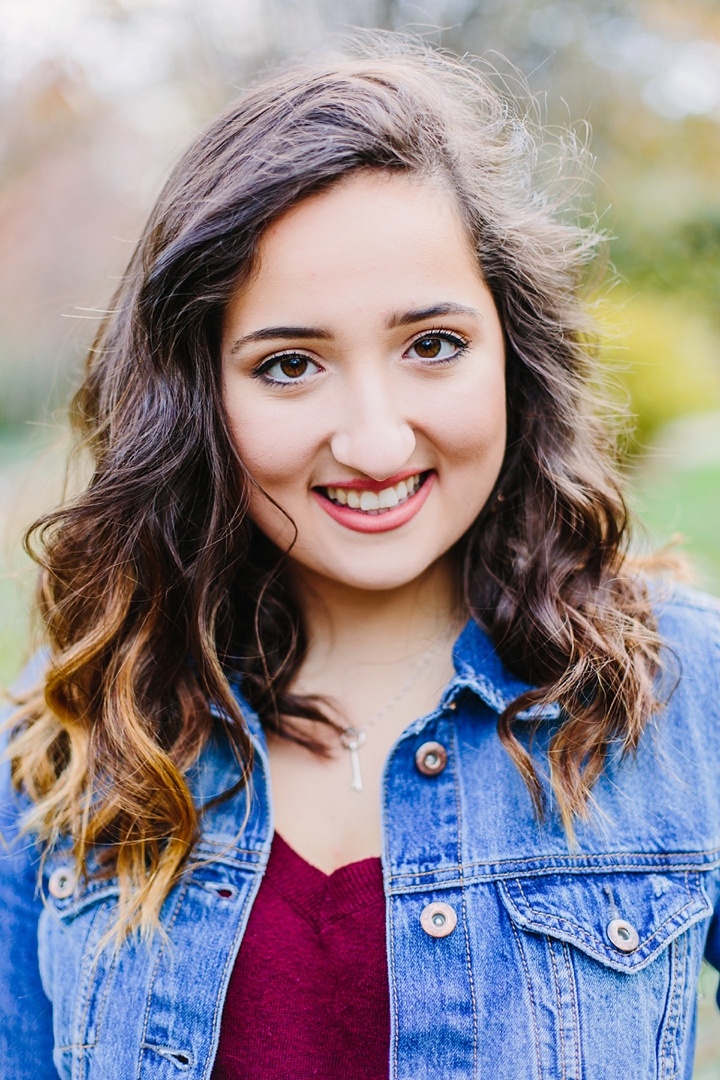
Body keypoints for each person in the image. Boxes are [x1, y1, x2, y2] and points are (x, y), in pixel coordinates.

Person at [1, 33, 720, 1080]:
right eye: (290, 365)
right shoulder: (68, 737)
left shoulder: (685, 698)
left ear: (513, 354)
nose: (377, 441)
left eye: (432, 345)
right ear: (200, 399)